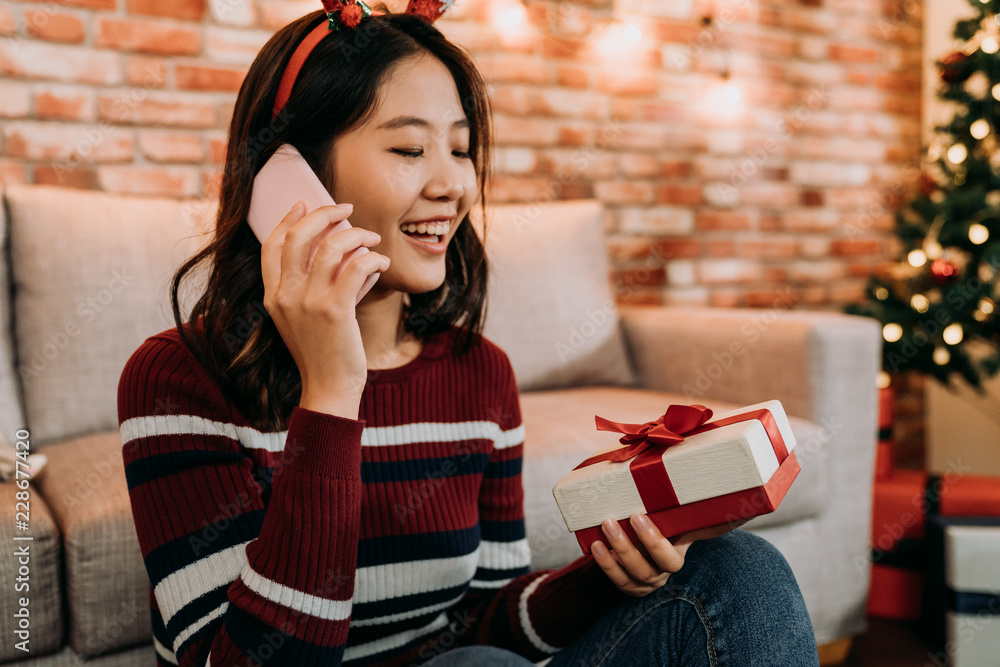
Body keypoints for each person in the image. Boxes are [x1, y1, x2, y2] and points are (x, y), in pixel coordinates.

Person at [118, 1, 821, 665]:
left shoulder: (478, 371)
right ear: (288, 177)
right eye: (408, 149)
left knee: (738, 570)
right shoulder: (177, 378)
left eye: (460, 150)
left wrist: (610, 577)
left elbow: (485, 618)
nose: (454, 184)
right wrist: (332, 392)